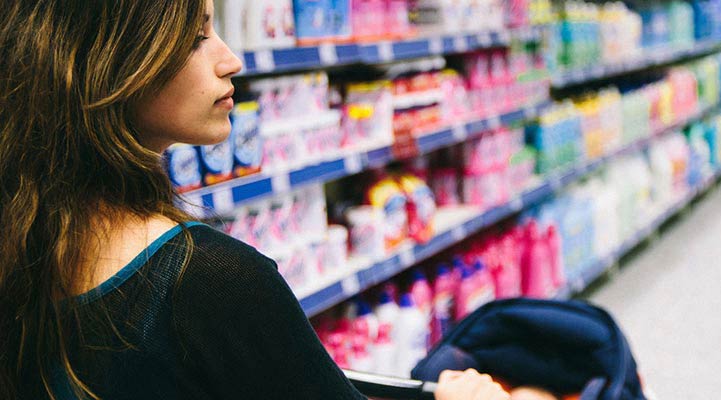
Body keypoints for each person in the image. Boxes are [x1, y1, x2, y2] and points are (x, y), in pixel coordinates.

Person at [0, 1, 512, 399]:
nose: (232, 60)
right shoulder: (210, 284)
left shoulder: (24, 245)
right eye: (197, 36)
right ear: (110, 60)